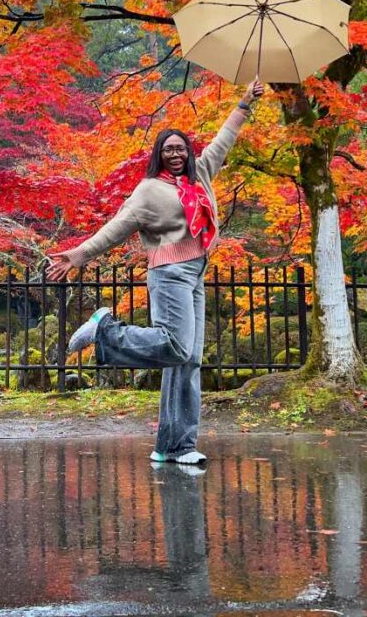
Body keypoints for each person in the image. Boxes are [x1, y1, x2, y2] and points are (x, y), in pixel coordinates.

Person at [47, 79, 264, 465]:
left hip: (196, 273)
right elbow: (117, 226)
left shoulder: (202, 176)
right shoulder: (149, 190)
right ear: (159, 155)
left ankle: (174, 445)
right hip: (168, 273)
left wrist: (244, 104)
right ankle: (105, 330)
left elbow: (224, 140)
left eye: (181, 148)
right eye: (169, 150)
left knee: (188, 361)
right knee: (177, 345)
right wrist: (80, 254)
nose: (176, 154)